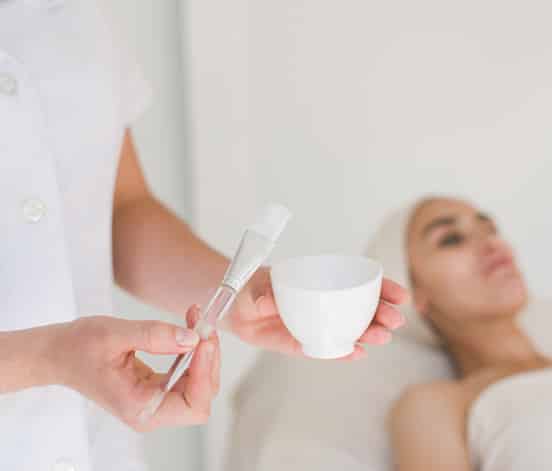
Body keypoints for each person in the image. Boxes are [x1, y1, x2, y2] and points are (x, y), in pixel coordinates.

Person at [0, 2, 406, 470]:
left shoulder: (78, 15)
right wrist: (48, 357)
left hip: (97, 447)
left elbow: (120, 208)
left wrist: (235, 296)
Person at [386, 196, 552, 470]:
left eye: (491, 230)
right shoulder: (439, 404)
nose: (492, 244)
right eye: (451, 239)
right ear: (413, 293)